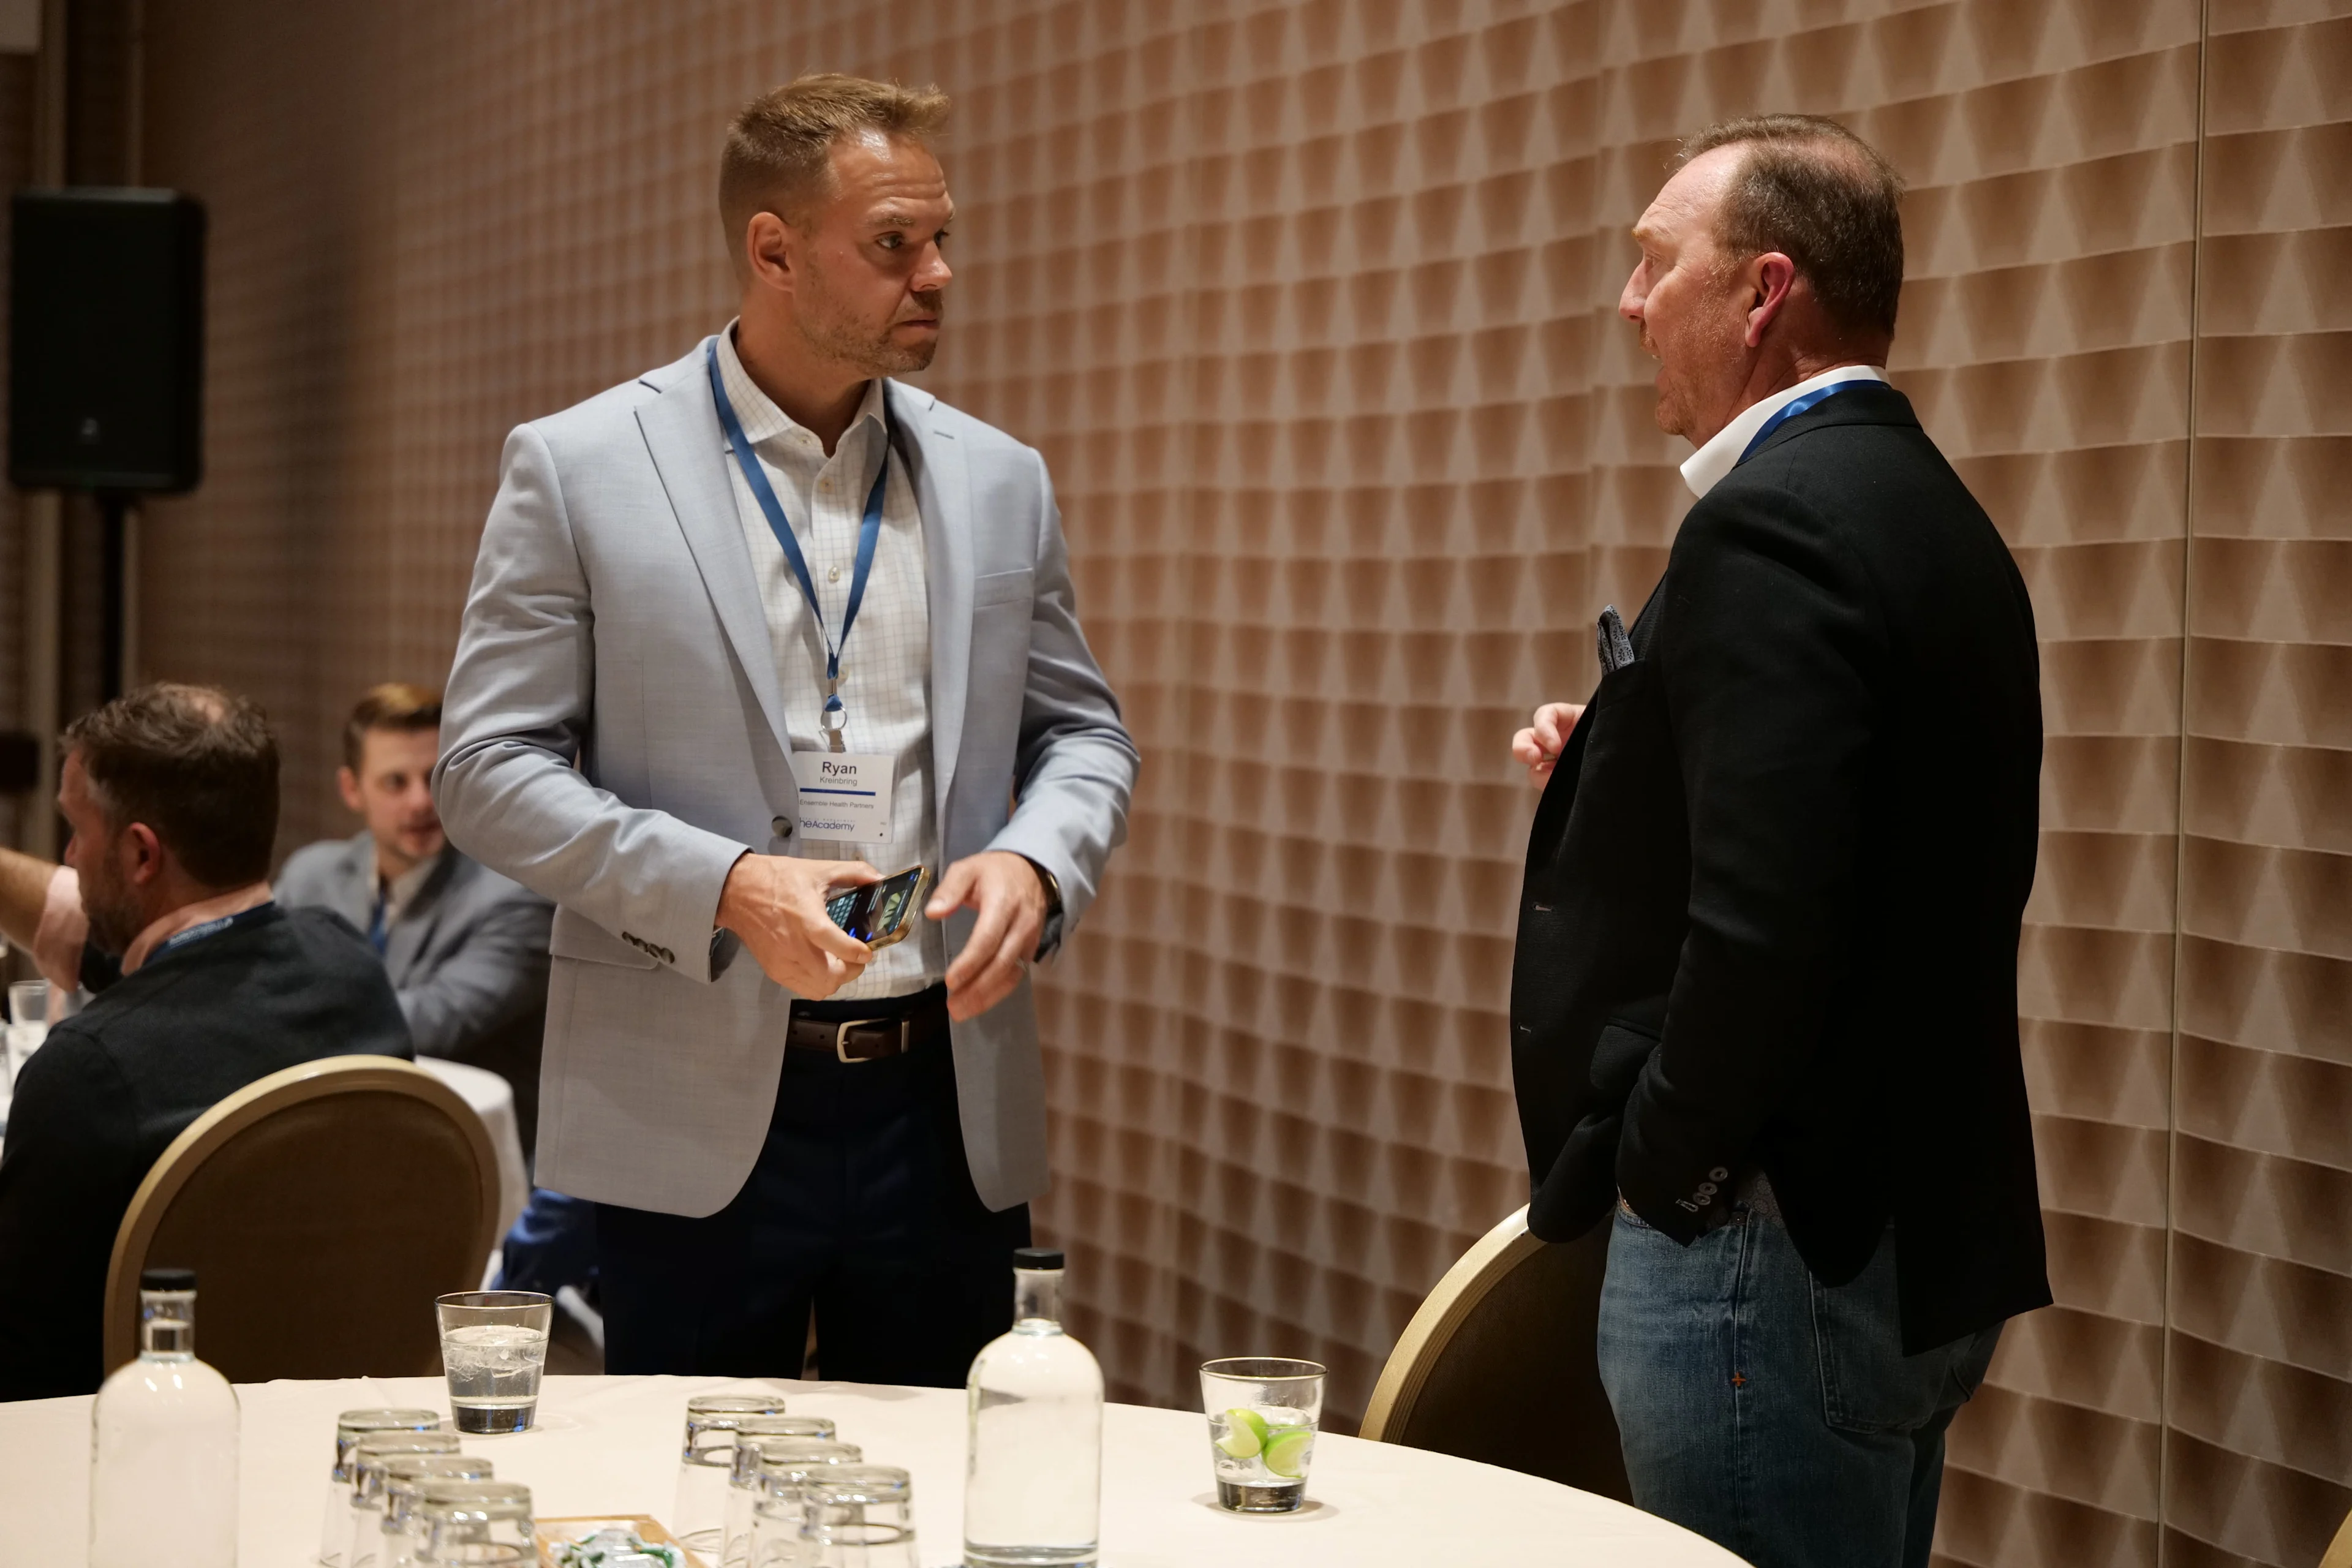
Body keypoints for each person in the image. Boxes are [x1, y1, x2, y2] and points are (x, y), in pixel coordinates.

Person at [435, 74, 1137, 1384]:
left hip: (941, 1097)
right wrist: (727, 884)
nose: (936, 273)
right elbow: (484, 769)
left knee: (938, 1500)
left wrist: (1040, 859)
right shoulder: (581, 464)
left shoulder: (999, 476)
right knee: (692, 1493)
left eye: (941, 239)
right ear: (772, 249)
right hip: (685, 1099)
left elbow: (1085, 735)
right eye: (892, 245)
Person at [1506, 116, 2048, 1568]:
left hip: (1768, 1239)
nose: (1628, 304)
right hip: (1910, 1229)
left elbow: (1768, 927)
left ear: (1760, 294)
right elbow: (1874, 839)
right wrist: (1627, 766)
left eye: (1652, 264)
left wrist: (1662, 1168)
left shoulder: (1769, 526)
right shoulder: (1933, 515)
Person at [0, 684, 412, 1400]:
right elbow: (143, 956)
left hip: (134, 1448)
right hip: (337, 1421)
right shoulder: (351, 972)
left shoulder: (87, 1073)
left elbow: (24, 1369)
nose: (67, 855)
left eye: (76, 830)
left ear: (140, 854)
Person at [277, 683, 554, 1147]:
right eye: (395, 782)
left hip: (465, 1156)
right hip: (329, 1137)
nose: (421, 803)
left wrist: (279, 1017)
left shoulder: (517, 897)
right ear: (351, 789)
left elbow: (432, 1023)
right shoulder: (310, 876)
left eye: (433, 778)